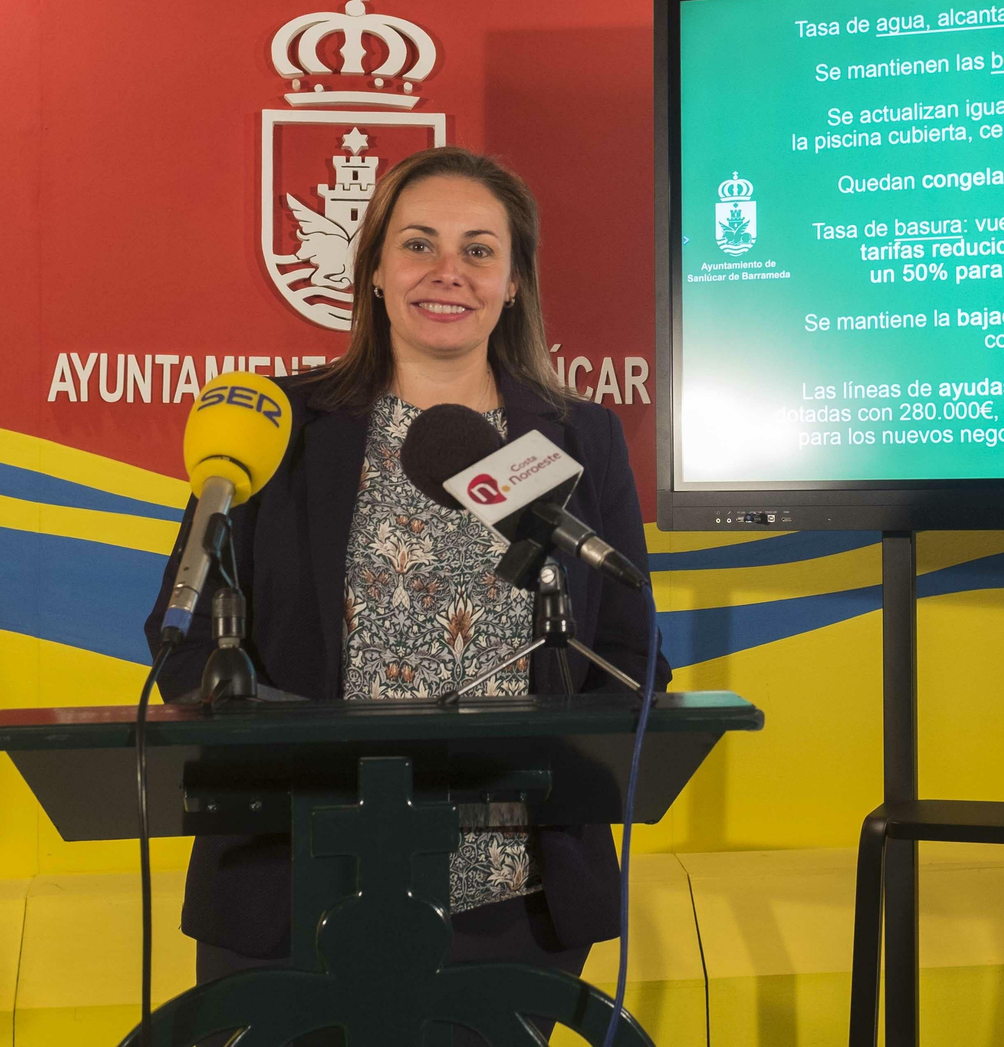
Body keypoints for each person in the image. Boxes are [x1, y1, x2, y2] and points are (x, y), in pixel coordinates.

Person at [144, 146, 667, 1038]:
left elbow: (626, 650)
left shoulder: (581, 437)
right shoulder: (277, 427)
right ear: (375, 272)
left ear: (513, 282)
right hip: (296, 884)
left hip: (513, 898)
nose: (447, 273)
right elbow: (187, 638)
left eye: (479, 250)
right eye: (418, 244)